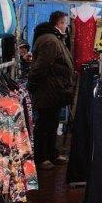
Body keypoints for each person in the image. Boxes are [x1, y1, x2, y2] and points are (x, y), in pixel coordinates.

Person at [28, 11, 76, 169]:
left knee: (51, 123)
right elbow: (41, 67)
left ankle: (51, 154)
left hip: (53, 91)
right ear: (59, 24)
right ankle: (42, 158)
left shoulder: (55, 39)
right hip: (47, 91)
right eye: (64, 23)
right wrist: (33, 85)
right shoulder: (50, 41)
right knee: (45, 124)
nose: (66, 26)